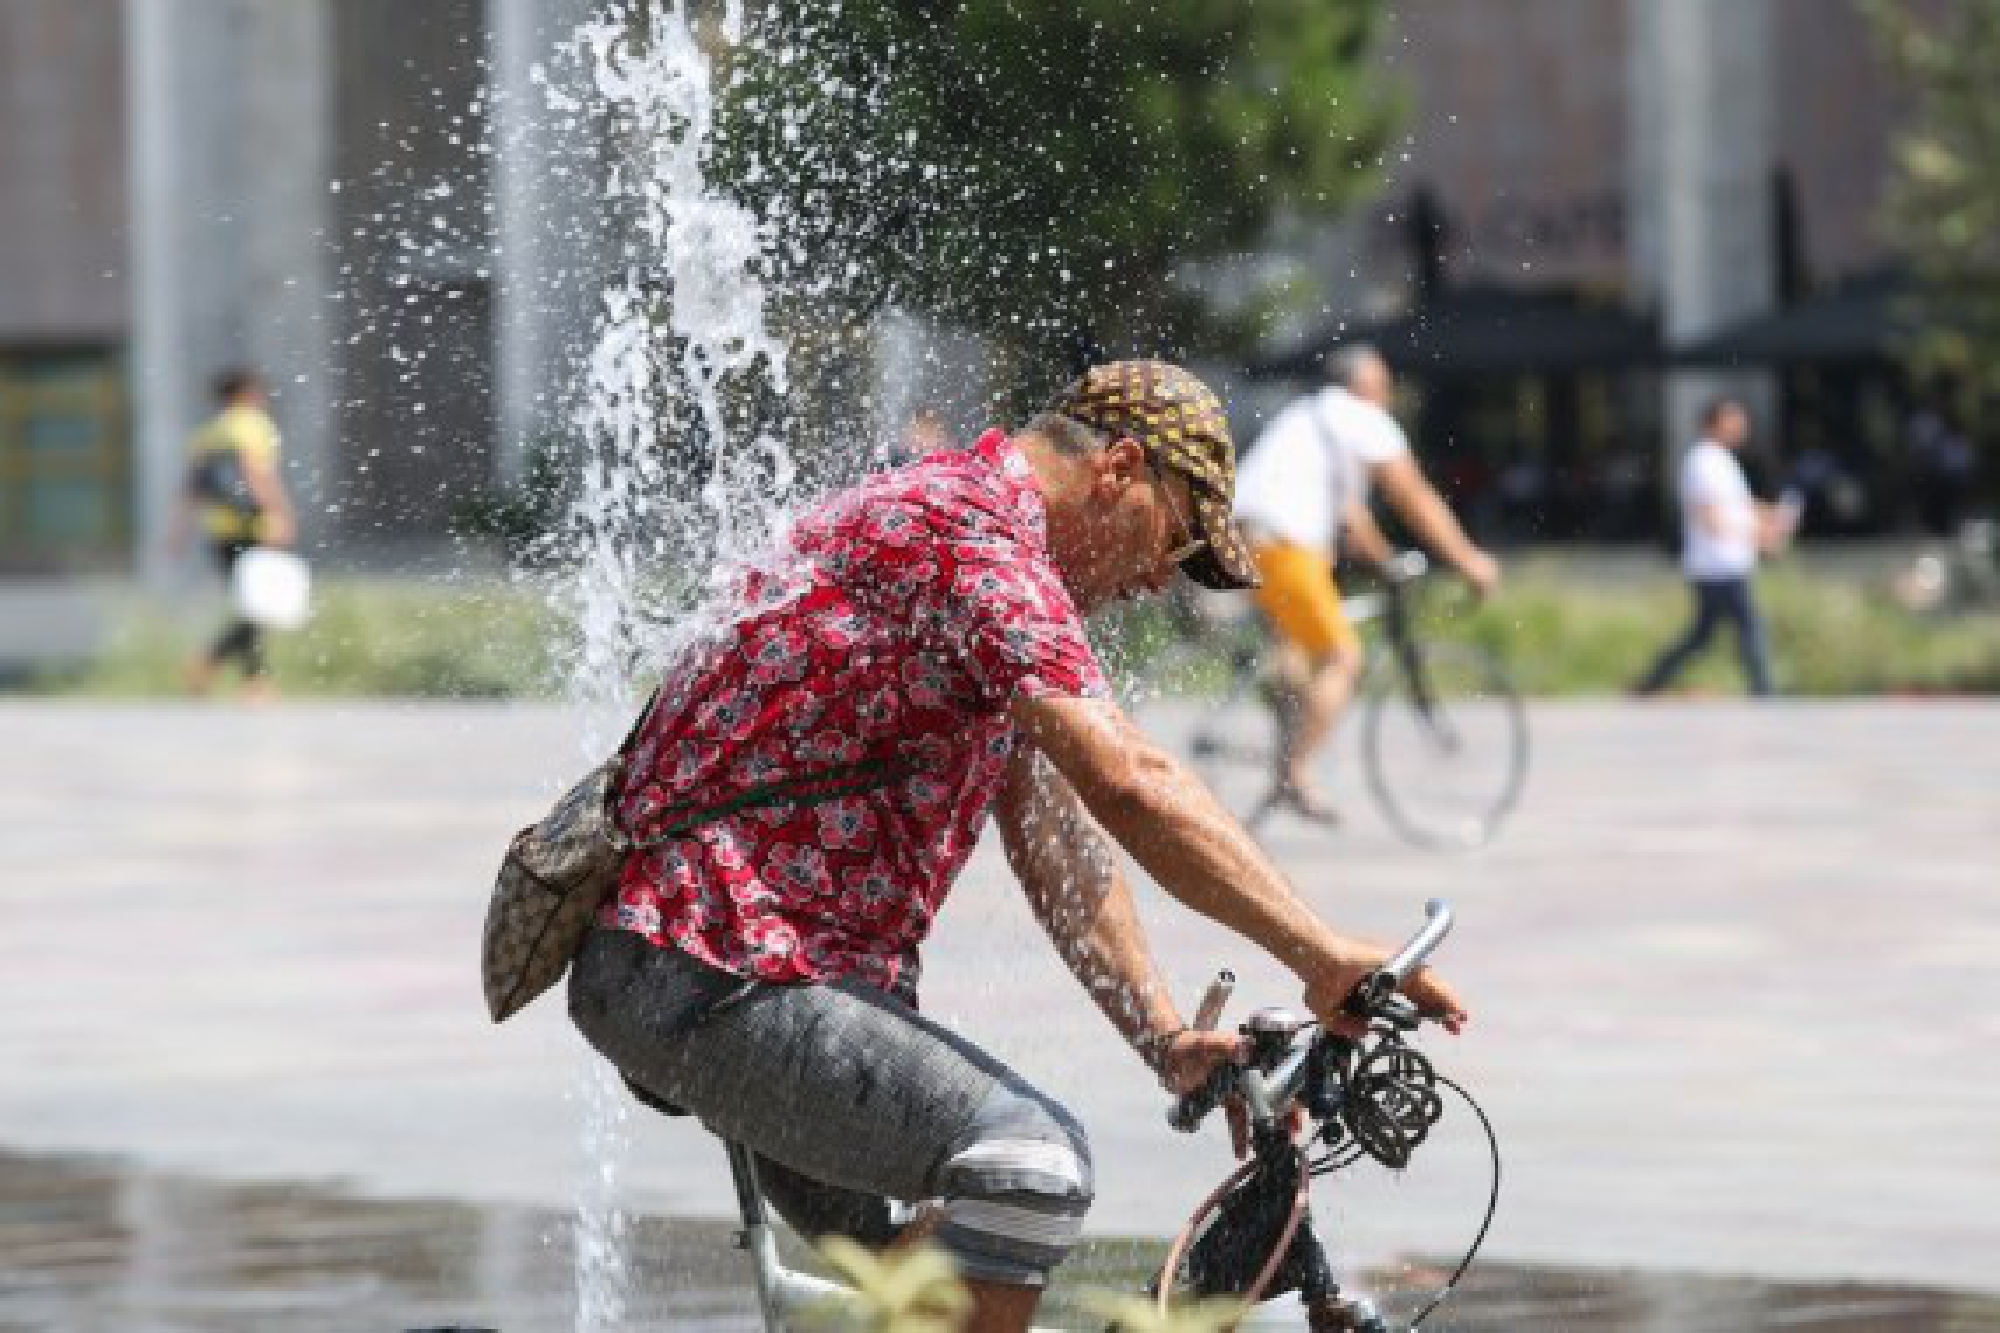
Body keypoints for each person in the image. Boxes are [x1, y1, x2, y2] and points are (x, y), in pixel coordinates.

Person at [564, 361, 1470, 1333]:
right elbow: (1128, 781)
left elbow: (1054, 837)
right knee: (1026, 1170)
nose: (1161, 574)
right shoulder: (972, 537)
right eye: (1173, 536)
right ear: (1117, 469)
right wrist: (1320, 954)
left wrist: (1163, 1036)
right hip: (714, 965)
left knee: (924, 1280)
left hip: (754, 972)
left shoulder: (979, 557)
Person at [1230, 345, 1501, 822]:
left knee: (1295, 657)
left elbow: (1351, 517)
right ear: (1364, 386)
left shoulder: (1310, 414)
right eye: (1384, 383)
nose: (1389, 393)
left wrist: (1384, 560)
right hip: (1284, 547)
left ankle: (1285, 726)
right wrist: (1468, 561)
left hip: (1243, 541)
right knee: (1343, 657)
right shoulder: (1362, 417)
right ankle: (1293, 774)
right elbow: (1414, 498)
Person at [1633, 397, 1796, 698]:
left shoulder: (1721, 460)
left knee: (1703, 634)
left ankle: (1649, 684)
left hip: (1726, 562)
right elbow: (1710, 517)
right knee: (1749, 626)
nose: (1742, 426)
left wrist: (1771, 517)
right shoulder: (1703, 461)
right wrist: (1759, 536)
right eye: (1733, 419)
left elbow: (1737, 505)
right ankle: (1765, 691)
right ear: (1714, 423)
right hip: (1716, 565)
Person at [169, 368, 297, 700]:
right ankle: (217, 664)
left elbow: (190, 489)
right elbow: (257, 473)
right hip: (254, 528)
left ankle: (251, 680)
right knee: (258, 607)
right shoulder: (252, 426)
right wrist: (280, 513)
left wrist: (178, 532)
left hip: (220, 531)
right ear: (247, 393)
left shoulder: (207, 434)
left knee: (250, 605)